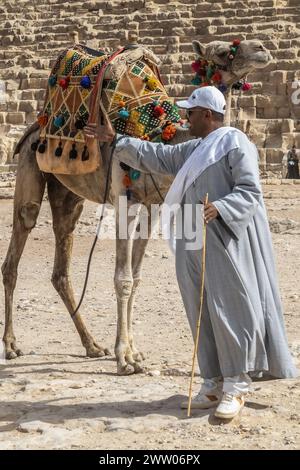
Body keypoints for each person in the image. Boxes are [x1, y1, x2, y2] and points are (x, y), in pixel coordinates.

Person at [84, 86, 298, 419]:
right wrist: (117, 141)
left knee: (230, 308)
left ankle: (237, 385)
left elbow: (250, 190)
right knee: (200, 311)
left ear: (208, 115)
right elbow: (157, 156)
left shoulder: (234, 143)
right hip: (191, 233)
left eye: (192, 113)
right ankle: (212, 383)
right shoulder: (196, 148)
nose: (186, 118)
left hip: (224, 237)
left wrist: (222, 207)